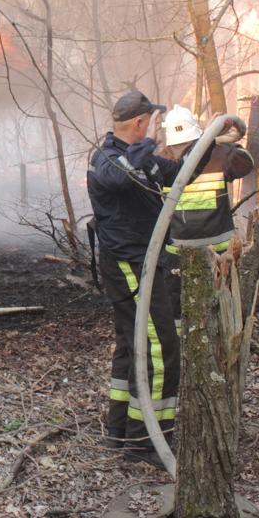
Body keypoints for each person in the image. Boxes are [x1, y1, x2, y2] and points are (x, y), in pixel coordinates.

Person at [87, 91, 181, 469]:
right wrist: (150, 141)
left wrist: (211, 146)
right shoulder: (107, 158)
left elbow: (179, 171)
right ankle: (146, 442)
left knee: (131, 344)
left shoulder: (140, 159)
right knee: (160, 348)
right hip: (129, 263)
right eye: (151, 122)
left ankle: (120, 430)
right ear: (140, 123)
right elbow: (119, 178)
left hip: (144, 261)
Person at [159, 105, 254, 255]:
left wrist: (210, 139)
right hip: (218, 248)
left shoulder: (159, 161)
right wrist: (216, 139)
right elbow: (247, 163)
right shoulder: (220, 153)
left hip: (176, 249)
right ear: (195, 127)